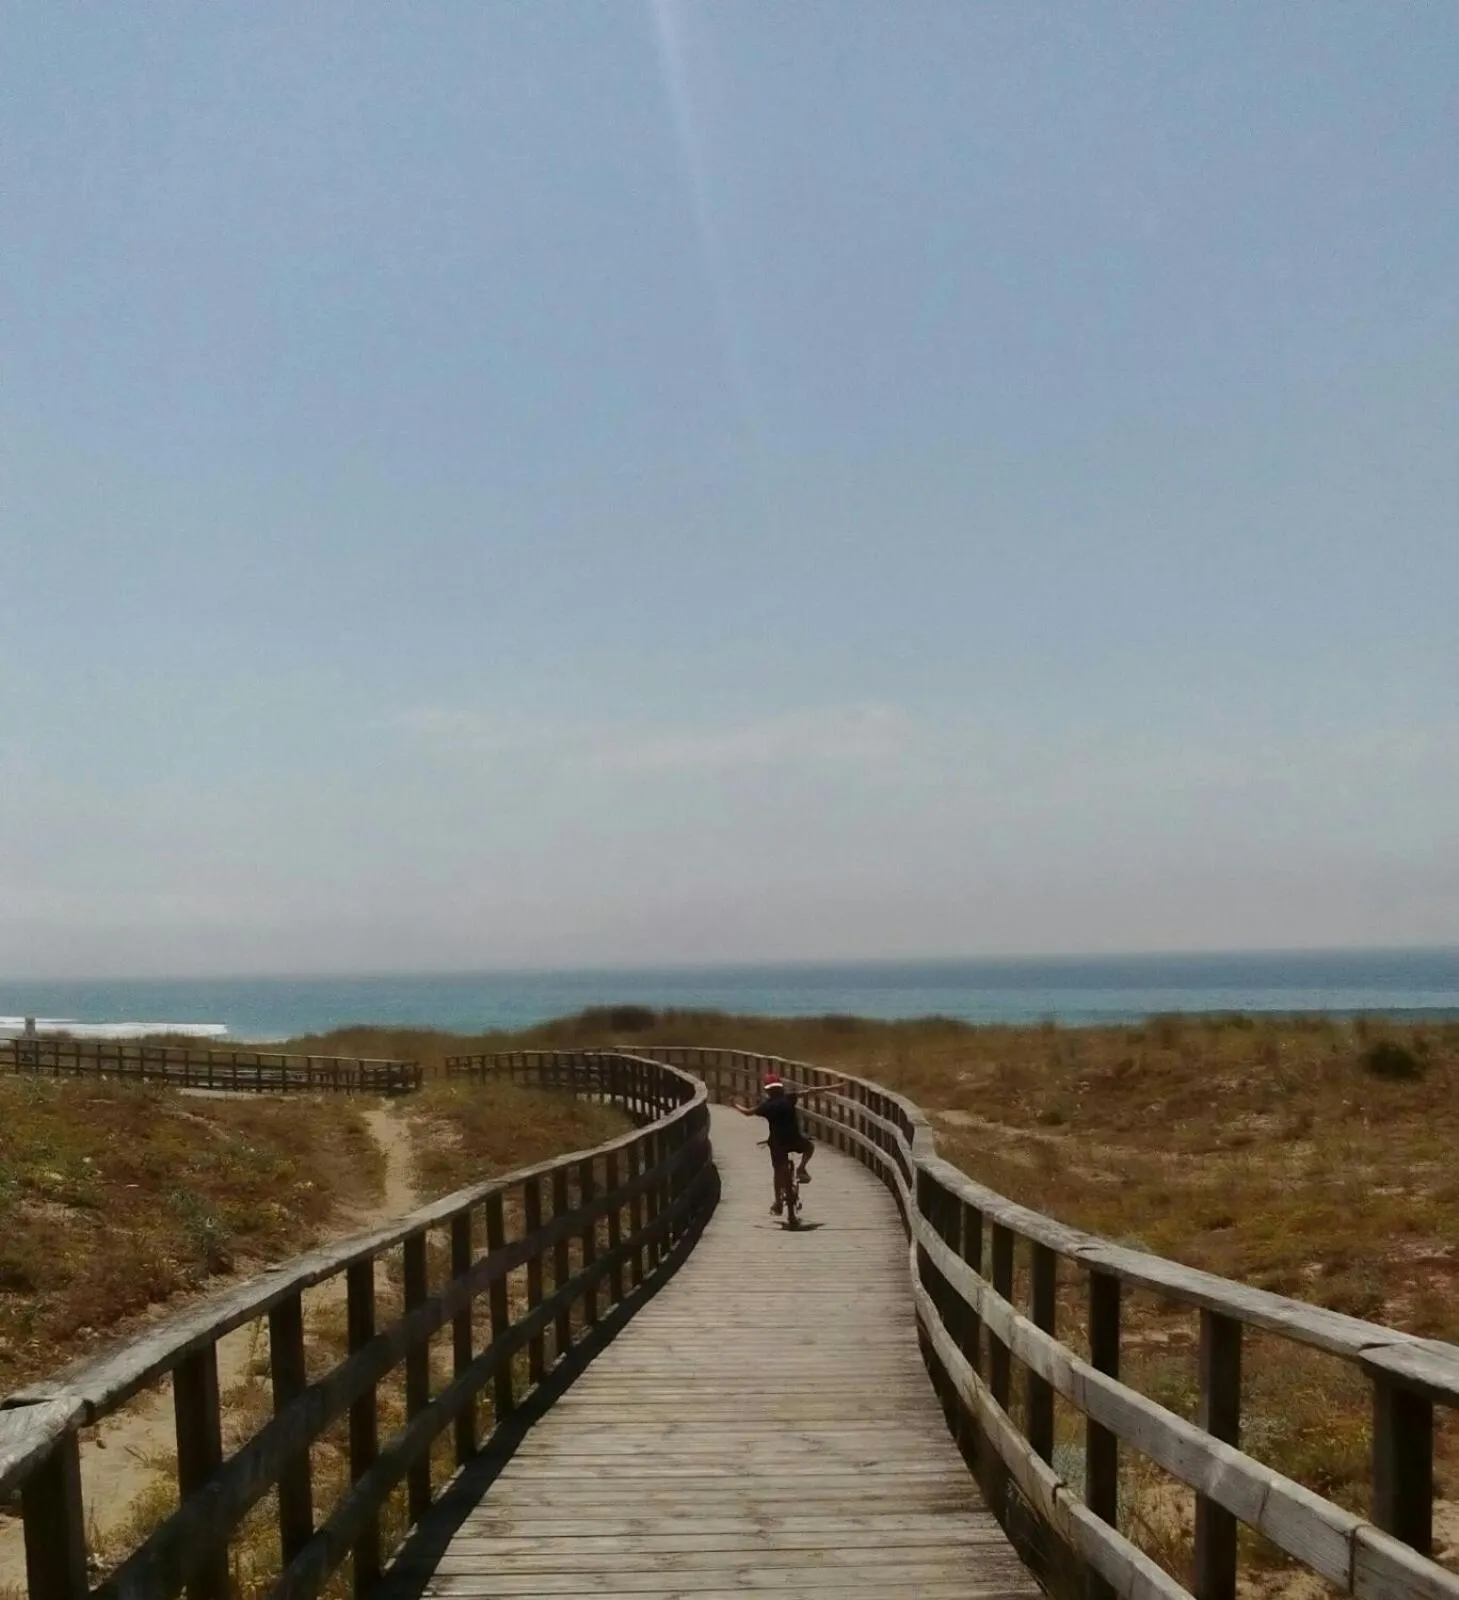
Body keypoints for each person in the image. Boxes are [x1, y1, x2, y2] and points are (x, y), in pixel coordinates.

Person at [732, 1071, 851, 1214]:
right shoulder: (789, 1098)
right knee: (809, 1147)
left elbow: (747, 1112)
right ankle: (801, 1168)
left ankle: (777, 1203)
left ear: (767, 1091)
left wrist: (735, 1104)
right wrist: (837, 1086)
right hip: (794, 1139)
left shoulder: (766, 1106)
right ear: (781, 1088)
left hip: (777, 1143)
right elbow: (811, 1092)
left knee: (777, 1172)